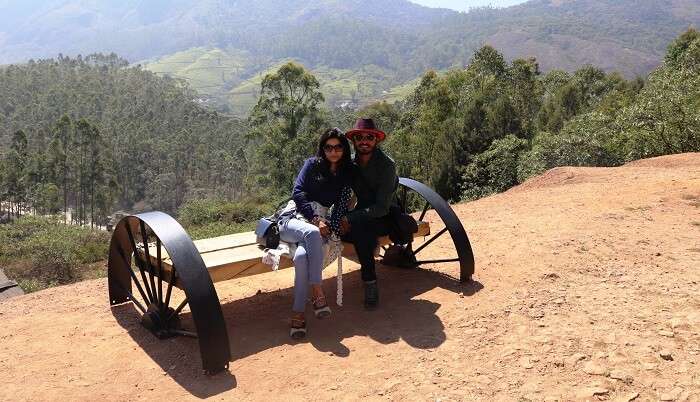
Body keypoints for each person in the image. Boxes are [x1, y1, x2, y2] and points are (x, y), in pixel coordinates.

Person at [277, 128, 353, 339]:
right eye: (328, 147)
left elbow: (343, 203)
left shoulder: (344, 174)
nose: (333, 151)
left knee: (302, 258)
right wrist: (316, 219)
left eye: (338, 147)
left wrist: (339, 221)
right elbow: (298, 193)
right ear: (323, 149)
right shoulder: (311, 165)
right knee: (312, 233)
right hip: (294, 218)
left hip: (318, 224)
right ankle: (318, 292)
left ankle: (298, 313)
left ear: (344, 149)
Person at [341, 118, 398, 310]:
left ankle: (370, 282)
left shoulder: (387, 166)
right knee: (353, 229)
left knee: (361, 233)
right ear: (354, 141)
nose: (364, 141)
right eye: (359, 137)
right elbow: (344, 193)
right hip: (361, 215)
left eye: (369, 137)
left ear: (376, 141)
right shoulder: (351, 165)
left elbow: (382, 207)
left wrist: (350, 218)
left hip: (385, 216)